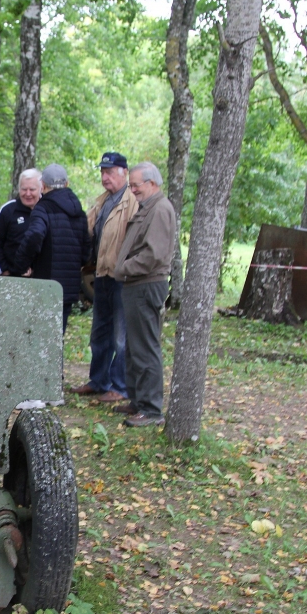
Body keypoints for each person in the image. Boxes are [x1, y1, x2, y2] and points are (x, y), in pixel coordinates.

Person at [70, 152, 138, 403]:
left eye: (110, 172)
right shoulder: (102, 201)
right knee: (99, 332)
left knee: (121, 335)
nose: (105, 177)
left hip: (122, 277)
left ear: (124, 172)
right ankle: (98, 380)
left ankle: (120, 386)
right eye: (102, 172)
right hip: (101, 274)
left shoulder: (133, 201)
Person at [112, 162, 176, 427]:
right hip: (135, 285)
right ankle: (138, 401)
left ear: (152, 183)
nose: (133, 190)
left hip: (146, 284)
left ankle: (151, 410)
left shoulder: (160, 209)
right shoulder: (147, 207)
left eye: (136, 185)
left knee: (146, 348)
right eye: (131, 185)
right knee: (133, 348)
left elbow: (153, 254)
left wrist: (122, 269)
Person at [9, 164, 91, 333]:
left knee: (42, 338)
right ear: (67, 184)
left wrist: (21, 265)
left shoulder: (43, 208)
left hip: (46, 286)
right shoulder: (79, 211)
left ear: (43, 186)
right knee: (57, 336)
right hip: (68, 287)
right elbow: (86, 248)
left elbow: (34, 236)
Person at [0, 169, 42, 275]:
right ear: (19, 189)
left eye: (32, 189)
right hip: (11, 276)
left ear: (40, 188)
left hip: (41, 277)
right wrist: (4, 270)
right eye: (24, 189)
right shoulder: (8, 210)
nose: (28, 194)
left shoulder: (47, 210)